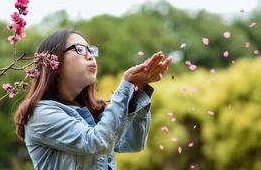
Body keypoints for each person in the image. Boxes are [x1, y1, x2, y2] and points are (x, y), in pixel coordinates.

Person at [14, 29, 172, 170]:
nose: (90, 56)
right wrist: (126, 86)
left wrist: (137, 89)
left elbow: (133, 142)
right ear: (55, 62)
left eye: (91, 50)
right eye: (80, 49)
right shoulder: (41, 114)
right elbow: (96, 142)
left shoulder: (93, 113)